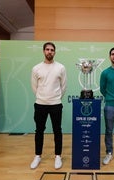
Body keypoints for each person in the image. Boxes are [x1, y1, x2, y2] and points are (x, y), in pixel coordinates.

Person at [30, 42, 67, 170]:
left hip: (56, 104)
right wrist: (42, 97)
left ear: (54, 52)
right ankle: (37, 156)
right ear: (43, 51)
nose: (49, 52)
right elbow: (34, 87)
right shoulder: (36, 68)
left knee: (57, 131)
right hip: (40, 104)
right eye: (47, 49)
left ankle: (58, 156)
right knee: (39, 131)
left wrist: (55, 98)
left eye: (52, 50)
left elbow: (63, 86)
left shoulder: (61, 67)